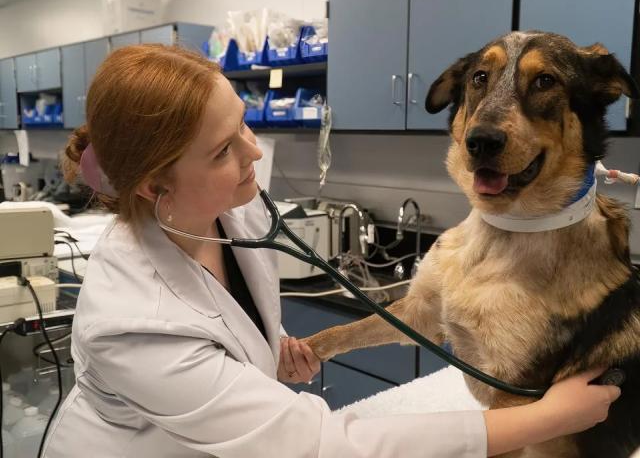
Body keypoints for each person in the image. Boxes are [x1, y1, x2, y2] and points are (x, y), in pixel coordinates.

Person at [43, 44, 621, 458]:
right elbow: (318, 446)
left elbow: (226, 323)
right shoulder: (135, 327)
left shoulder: (231, 205)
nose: (254, 154)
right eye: (223, 149)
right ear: (153, 186)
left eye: (244, 125)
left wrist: (270, 352)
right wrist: (549, 418)